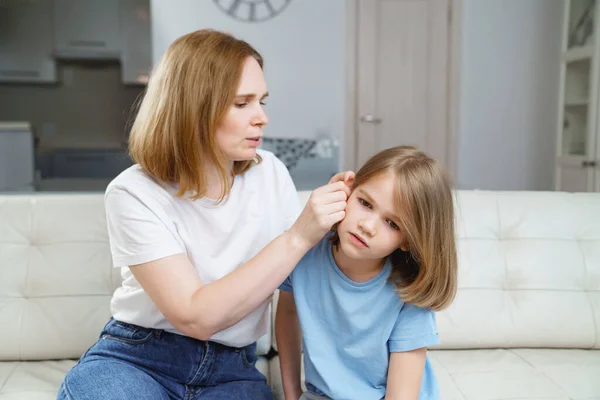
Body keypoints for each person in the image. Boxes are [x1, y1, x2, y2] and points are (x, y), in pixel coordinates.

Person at [57, 29, 354, 400]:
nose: (262, 117)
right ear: (194, 109)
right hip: (140, 359)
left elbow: (304, 288)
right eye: (242, 103)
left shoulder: (271, 172)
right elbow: (194, 316)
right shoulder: (133, 191)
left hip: (233, 370)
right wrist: (297, 236)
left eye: (262, 101)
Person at [276, 146, 458, 400]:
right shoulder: (304, 251)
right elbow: (287, 314)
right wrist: (292, 393)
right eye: (365, 203)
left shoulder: (409, 292)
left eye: (392, 223)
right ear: (348, 191)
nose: (368, 226)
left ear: (408, 240)